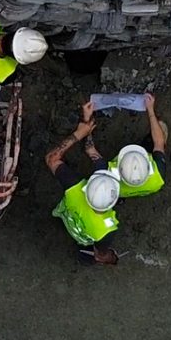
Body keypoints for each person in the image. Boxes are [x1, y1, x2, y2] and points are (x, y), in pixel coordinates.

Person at [44, 101, 121, 264]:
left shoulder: (74, 189)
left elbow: (52, 159)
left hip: (68, 216)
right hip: (84, 236)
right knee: (89, 257)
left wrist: (81, 131)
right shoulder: (106, 232)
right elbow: (101, 254)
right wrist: (110, 258)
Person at [110, 91, 170, 199]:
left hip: (119, 193)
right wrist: (150, 110)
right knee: (160, 129)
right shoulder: (158, 177)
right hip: (140, 190)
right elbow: (159, 142)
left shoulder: (109, 178)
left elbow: (92, 152)